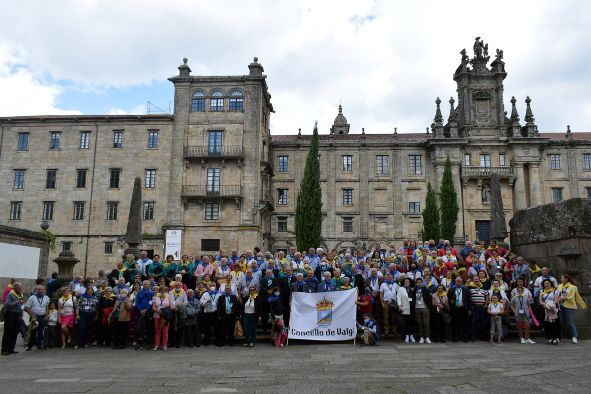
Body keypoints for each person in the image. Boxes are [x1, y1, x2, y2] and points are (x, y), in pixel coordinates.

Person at [556, 274, 587, 344]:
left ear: (566, 279)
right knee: (559, 322)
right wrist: (557, 299)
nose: (561, 279)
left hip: (568, 306)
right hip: (560, 305)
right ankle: (558, 336)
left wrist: (564, 298)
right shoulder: (560, 286)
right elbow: (557, 294)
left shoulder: (573, 287)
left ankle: (574, 336)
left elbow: (571, 296)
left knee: (570, 322)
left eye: (562, 278)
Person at [24, 284, 50, 351]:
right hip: (34, 317)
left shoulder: (47, 298)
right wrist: (32, 316)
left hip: (42, 317)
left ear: (44, 290)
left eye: (41, 289)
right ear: (36, 290)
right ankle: (30, 346)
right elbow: (27, 307)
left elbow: (47, 307)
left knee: (41, 332)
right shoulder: (32, 297)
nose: (40, 291)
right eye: (39, 289)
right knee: (32, 332)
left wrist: (47, 315)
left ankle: (39, 345)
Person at [1, 281, 24, 355]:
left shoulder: (20, 294)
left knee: (15, 332)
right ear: (15, 287)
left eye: (20, 287)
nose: (20, 288)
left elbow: (21, 306)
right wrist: (17, 302)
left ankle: (11, 349)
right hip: (10, 314)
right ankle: (4, 350)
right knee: (8, 332)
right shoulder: (10, 294)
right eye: (18, 287)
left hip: (18, 314)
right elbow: (7, 304)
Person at [447, 277, 471, 343]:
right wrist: (450, 301)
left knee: (465, 324)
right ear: (455, 282)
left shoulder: (466, 290)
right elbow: (447, 298)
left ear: (462, 282)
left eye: (459, 281)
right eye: (457, 281)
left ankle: (465, 338)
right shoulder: (451, 289)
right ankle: (455, 338)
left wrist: (469, 309)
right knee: (455, 324)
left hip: (464, 309)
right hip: (454, 309)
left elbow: (469, 300)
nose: (458, 282)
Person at [134, 280, 154, 350]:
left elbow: (152, 303)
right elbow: (137, 302)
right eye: (144, 284)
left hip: (148, 312)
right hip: (140, 313)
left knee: (149, 329)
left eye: (147, 284)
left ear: (149, 285)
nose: (145, 285)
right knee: (139, 328)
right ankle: (139, 343)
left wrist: (146, 310)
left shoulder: (152, 293)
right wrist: (140, 310)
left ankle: (149, 343)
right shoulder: (139, 292)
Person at [539, 279, 560, 344]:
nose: (546, 284)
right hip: (545, 309)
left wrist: (550, 305)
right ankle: (549, 338)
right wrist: (544, 304)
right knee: (547, 324)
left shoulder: (555, 291)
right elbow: (540, 301)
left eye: (548, 283)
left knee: (554, 324)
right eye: (545, 283)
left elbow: (556, 300)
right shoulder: (542, 291)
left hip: (553, 309)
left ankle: (555, 338)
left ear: (551, 284)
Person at [152, 285, 172, 351]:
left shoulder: (168, 296)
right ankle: (157, 345)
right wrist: (160, 312)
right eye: (161, 290)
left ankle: (165, 345)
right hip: (157, 315)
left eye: (164, 290)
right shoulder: (155, 297)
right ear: (159, 291)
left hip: (165, 316)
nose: (163, 291)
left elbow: (170, 306)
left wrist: (164, 312)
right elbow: (153, 307)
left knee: (165, 331)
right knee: (157, 330)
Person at [413, 277, 432, 344]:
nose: (419, 283)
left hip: (424, 308)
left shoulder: (425, 289)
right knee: (420, 323)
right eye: (418, 282)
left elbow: (430, 299)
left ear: (422, 283)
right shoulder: (415, 290)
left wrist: (428, 307)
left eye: (420, 282)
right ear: (416, 283)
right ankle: (421, 337)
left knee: (426, 323)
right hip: (417, 308)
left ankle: (427, 337)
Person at [379, 272, 398, 337]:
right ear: (385, 277)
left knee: (394, 317)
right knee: (386, 317)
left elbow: (398, 293)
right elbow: (381, 294)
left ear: (392, 277)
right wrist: (382, 303)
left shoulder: (395, 284)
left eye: (390, 276)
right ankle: (386, 331)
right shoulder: (383, 284)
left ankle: (394, 330)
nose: (389, 277)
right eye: (387, 276)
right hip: (386, 302)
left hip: (393, 302)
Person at [397, 277, 413, 343]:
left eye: (408, 281)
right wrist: (399, 305)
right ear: (404, 282)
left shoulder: (412, 289)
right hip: (404, 308)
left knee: (410, 323)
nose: (407, 282)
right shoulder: (401, 289)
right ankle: (405, 336)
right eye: (406, 281)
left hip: (411, 308)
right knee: (404, 323)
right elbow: (398, 297)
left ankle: (411, 336)